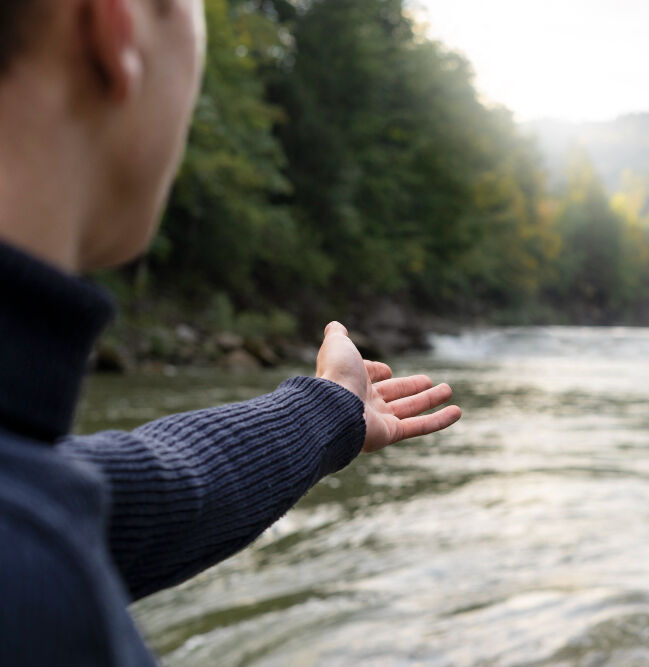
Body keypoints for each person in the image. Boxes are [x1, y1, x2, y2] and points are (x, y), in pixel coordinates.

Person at [0, 0, 462, 663]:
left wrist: (328, 409)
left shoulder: (23, 489)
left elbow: (126, 501)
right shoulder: (32, 589)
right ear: (114, 26)